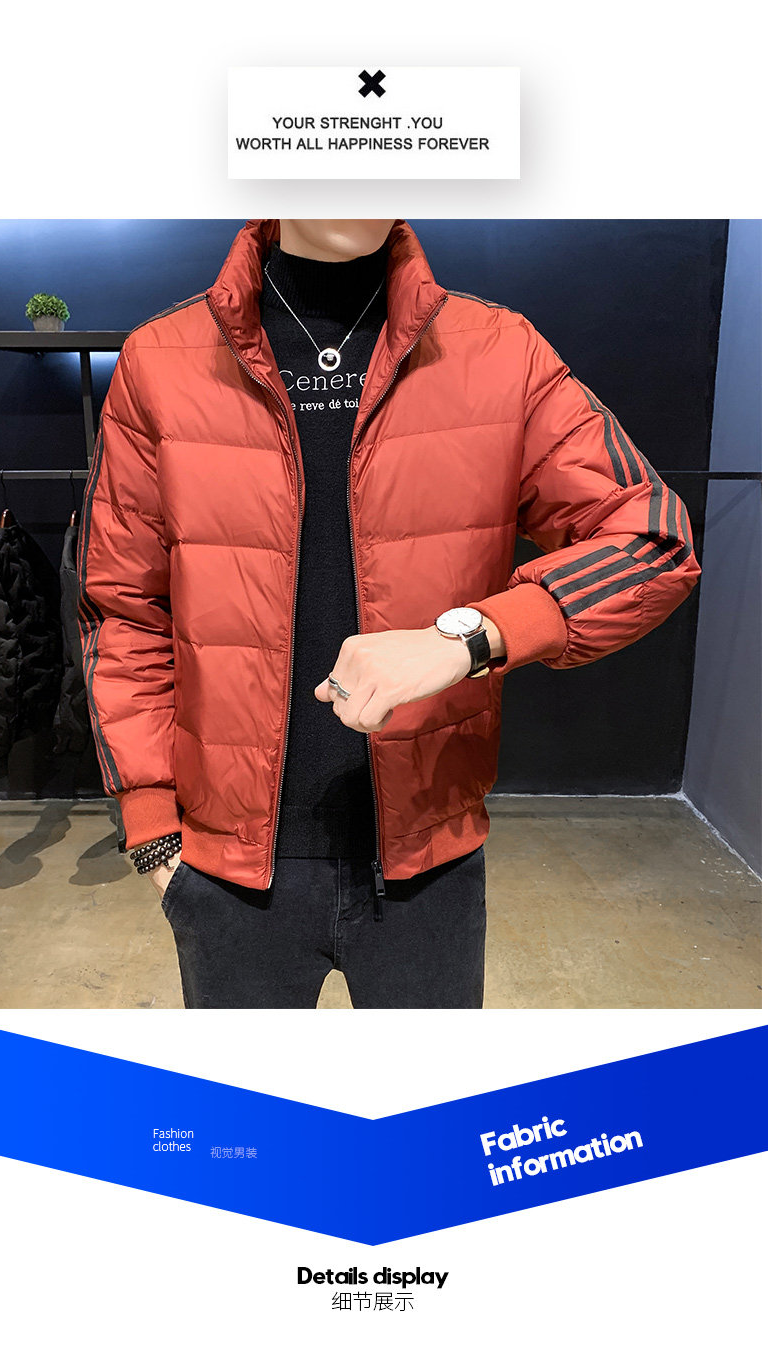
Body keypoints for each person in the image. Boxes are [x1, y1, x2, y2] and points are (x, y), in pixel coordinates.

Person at [77, 218, 701, 1009]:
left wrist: (470, 639)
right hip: (224, 876)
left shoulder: (499, 350)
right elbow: (124, 608)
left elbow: (653, 541)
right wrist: (149, 825)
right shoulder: (161, 359)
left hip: (428, 871)